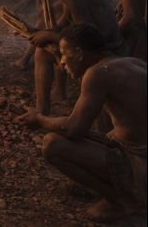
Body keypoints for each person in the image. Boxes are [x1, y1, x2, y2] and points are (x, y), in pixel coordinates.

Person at [20, 23, 146, 222]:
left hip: (140, 162)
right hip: (136, 150)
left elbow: (74, 129)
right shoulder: (131, 62)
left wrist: (40, 119)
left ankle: (125, 203)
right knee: (106, 136)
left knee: (53, 144)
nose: (61, 62)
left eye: (63, 54)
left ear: (78, 53)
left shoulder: (97, 74)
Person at [22, 0, 124, 117]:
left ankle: (41, 110)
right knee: (45, 45)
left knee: (42, 53)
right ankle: (45, 105)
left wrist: (49, 36)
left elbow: (84, 39)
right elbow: (65, 21)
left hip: (107, 49)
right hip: (100, 42)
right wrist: (42, 32)